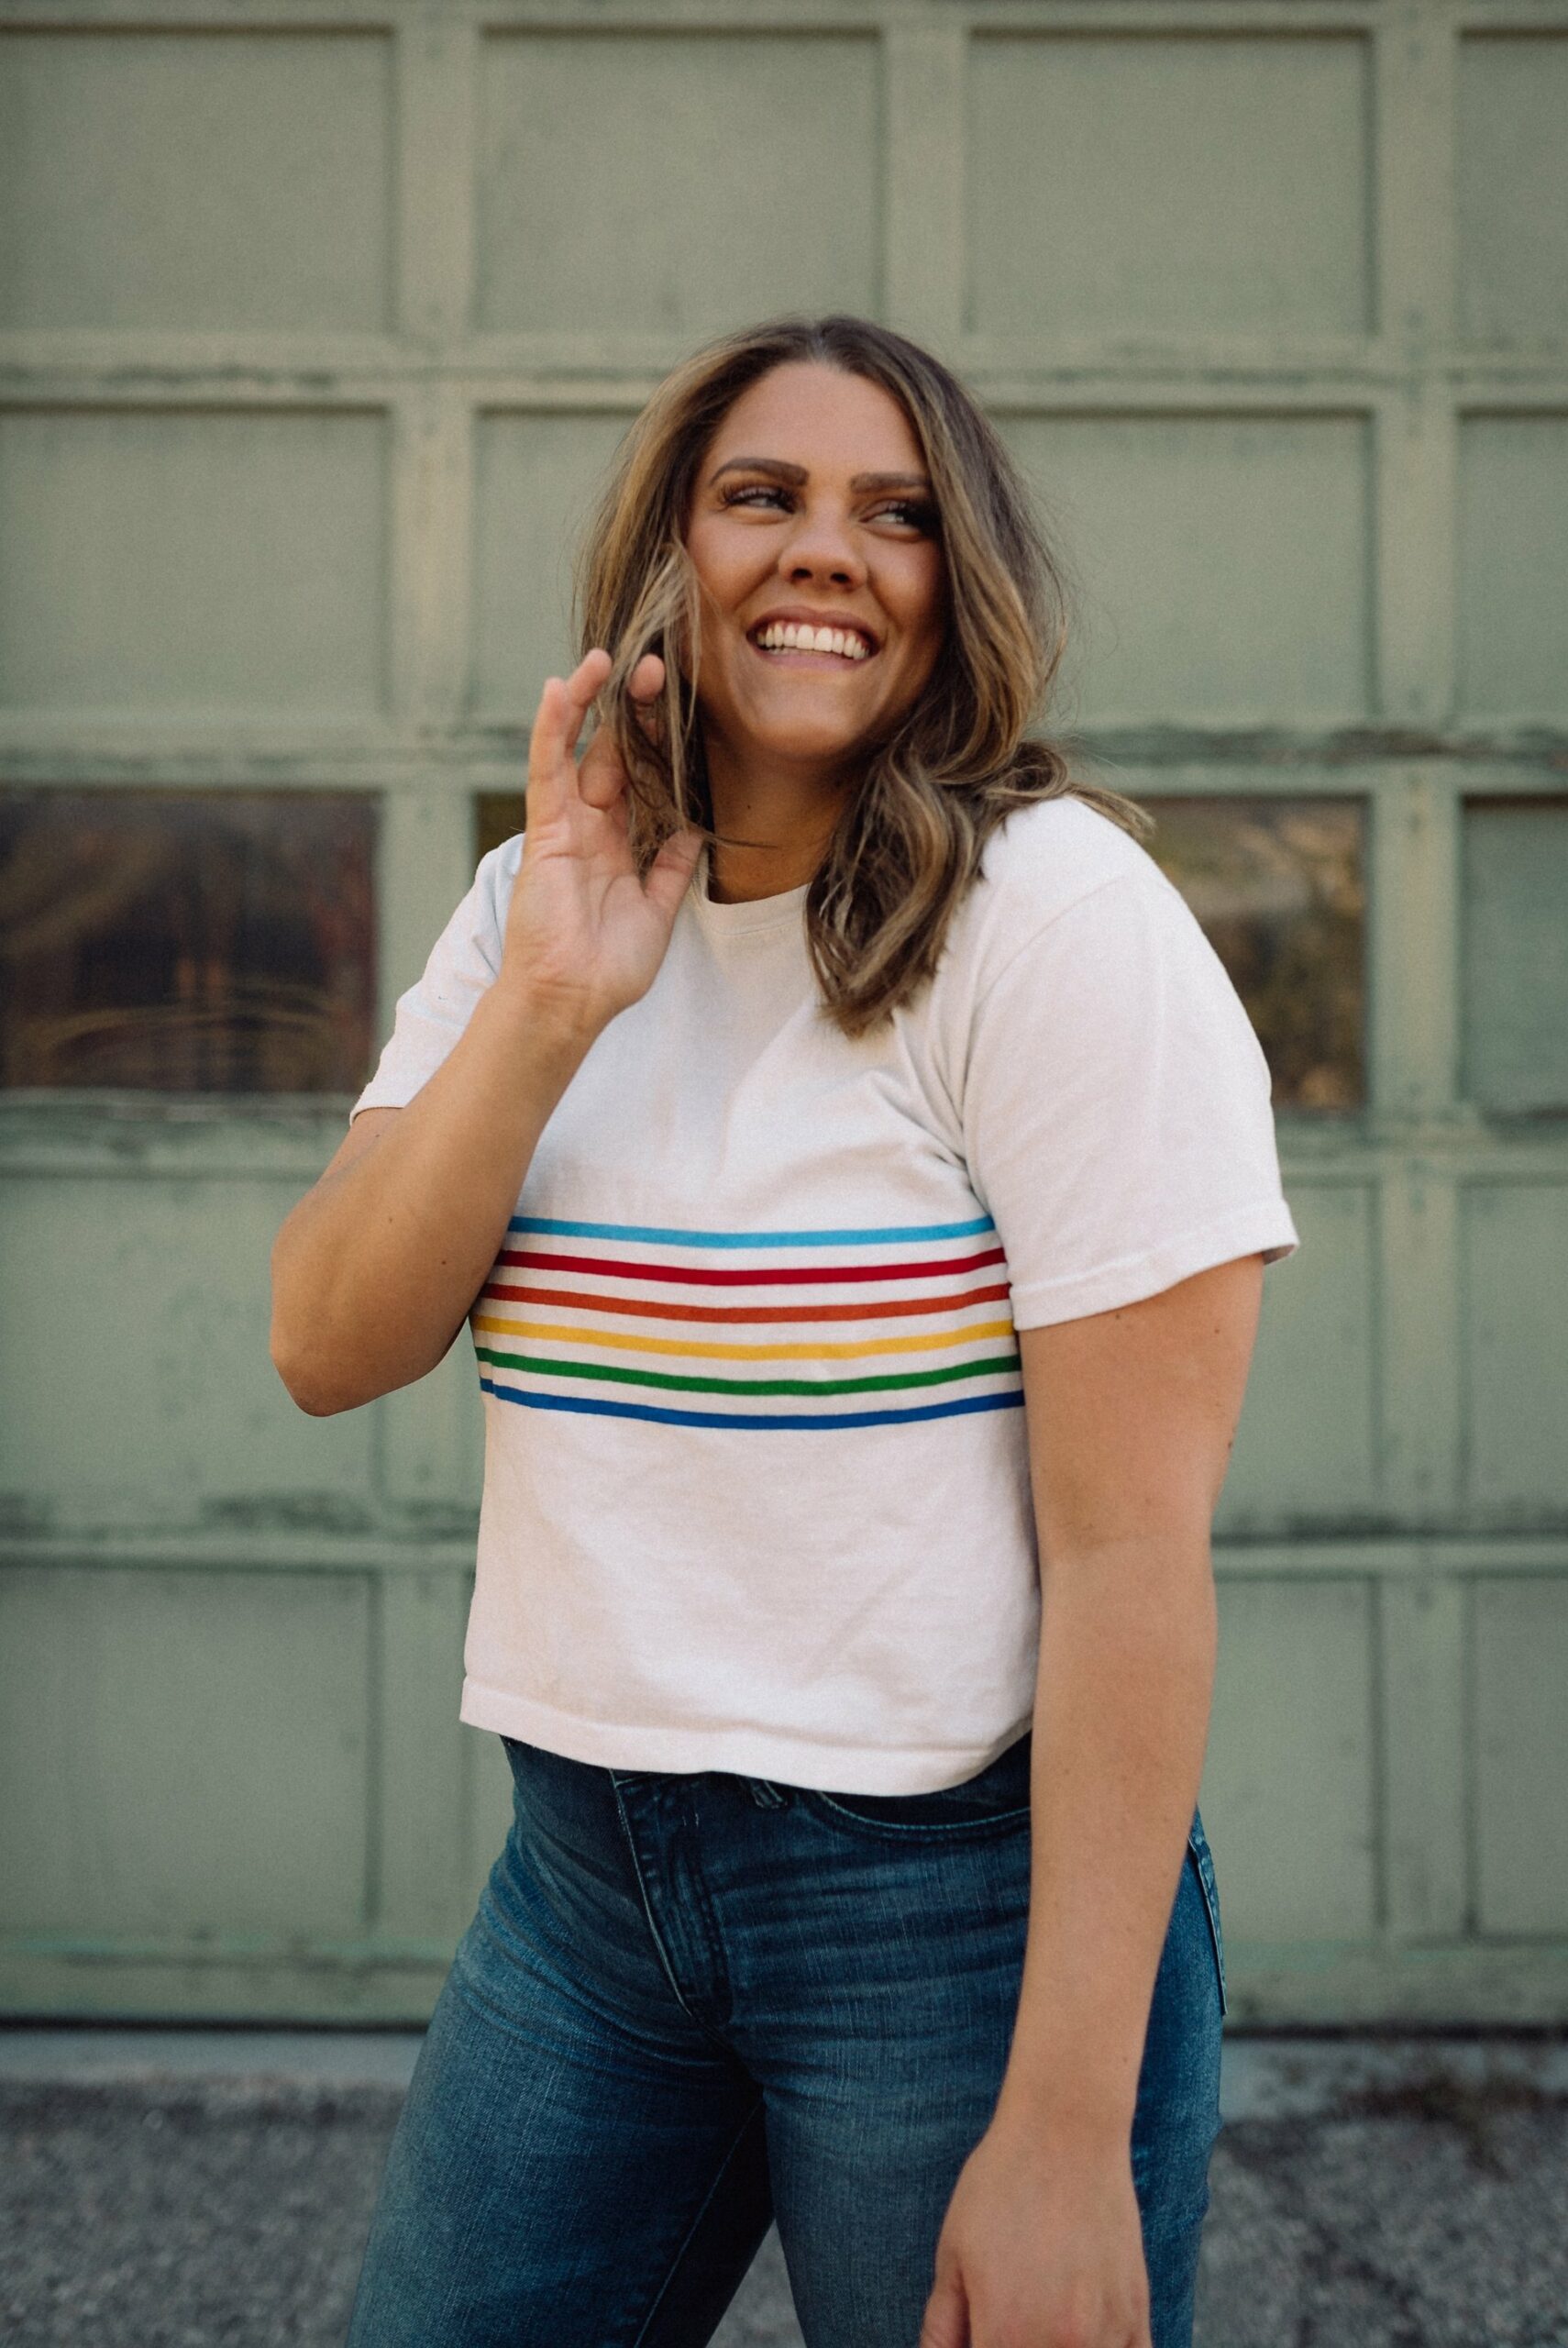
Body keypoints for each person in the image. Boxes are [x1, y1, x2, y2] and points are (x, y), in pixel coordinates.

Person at [270, 314, 1298, 2348]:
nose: (829, 548)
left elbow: (1128, 1553)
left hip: (946, 1906)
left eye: (897, 514)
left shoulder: (1057, 923)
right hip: (585, 1887)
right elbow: (327, 1335)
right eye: (766, 494)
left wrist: (1065, 2126)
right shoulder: (530, 903)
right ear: (676, 548)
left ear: (957, 583)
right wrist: (559, 992)